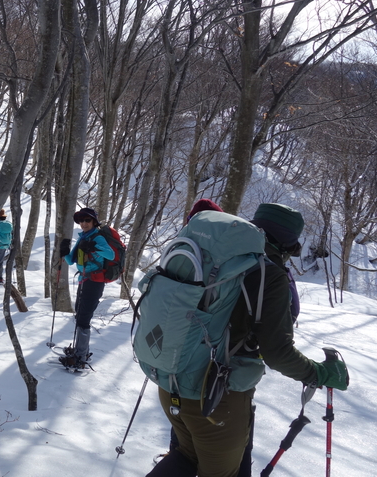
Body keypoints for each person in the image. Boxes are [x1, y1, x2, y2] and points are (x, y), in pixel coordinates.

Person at [147, 203, 350, 477]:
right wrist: (318, 373)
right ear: (289, 246)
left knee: (186, 456)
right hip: (216, 399)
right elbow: (277, 352)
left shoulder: (216, 257)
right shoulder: (268, 274)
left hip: (169, 381)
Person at [58, 207, 116, 366]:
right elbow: (71, 261)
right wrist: (65, 252)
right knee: (80, 315)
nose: (84, 223)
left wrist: (93, 247)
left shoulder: (97, 238)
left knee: (83, 319)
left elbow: (110, 255)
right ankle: (81, 351)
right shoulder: (83, 238)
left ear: (94, 221)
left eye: (87, 220)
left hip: (95, 283)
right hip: (83, 281)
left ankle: (80, 358)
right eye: (81, 221)